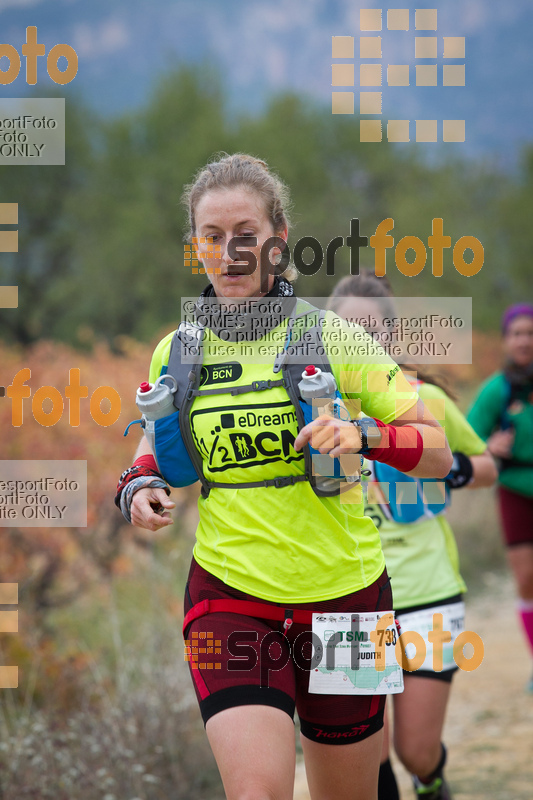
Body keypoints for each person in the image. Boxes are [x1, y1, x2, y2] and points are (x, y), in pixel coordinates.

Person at [115, 153, 453, 800]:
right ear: (196, 248)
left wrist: (366, 436)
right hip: (230, 596)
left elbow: (436, 453)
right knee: (255, 794)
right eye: (212, 238)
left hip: (346, 598)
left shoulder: (336, 339)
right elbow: (156, 452)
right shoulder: (177, 350)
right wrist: (139, 487)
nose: (230, 251)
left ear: (279, 241)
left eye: (247, 234)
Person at [329, 272, 497, 800]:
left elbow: (485, 463)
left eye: (367, 330)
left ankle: (433, 781)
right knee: (366, 759)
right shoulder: (308, 406)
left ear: (389, 339)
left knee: (415, 753)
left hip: (426, 592)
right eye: (343, 329)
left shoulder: (424, 401)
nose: (356, 339)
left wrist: (437, 469)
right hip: (347, 597)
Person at [467, 303, 533, 693]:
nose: (525, 340)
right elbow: (466, 441)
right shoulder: (497, 389)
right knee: (527, 580)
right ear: (507, 341)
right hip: (514, 490)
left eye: (531, 333)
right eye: (518, 334)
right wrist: (489, 444)